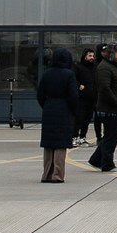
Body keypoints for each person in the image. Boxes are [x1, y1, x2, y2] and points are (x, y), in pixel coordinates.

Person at [36, 46, 81, 182]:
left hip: (49, 108)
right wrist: (74, 110)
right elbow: (73, 96)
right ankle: (57, 175)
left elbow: (40, 94)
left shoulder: (47, 73)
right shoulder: (69, 74)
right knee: (61, 144)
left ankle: (46, 174)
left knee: (49, 144)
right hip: (64, 109)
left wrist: (47, 105)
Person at [87, 41, 117, 171]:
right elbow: (105, 88)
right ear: (110, 53)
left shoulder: (113, 66)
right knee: (111, 137)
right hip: (110, 109)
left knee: (110, 136)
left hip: (115, 108)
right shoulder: (104, 67)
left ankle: (95, 159)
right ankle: (107, 164)